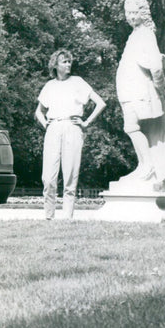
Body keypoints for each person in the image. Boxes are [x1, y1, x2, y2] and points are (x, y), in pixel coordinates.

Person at [35, 49, 106, 220]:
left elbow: (100, 103)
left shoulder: (78, 82)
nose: (68, 65)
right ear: (56, 65)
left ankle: (67, 218)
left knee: (70, 175)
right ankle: (49, 217)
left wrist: (86, 123)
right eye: (64, 62)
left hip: (73, 128)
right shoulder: (50, 86)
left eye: (69, 61)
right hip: (53, 128)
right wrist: (46, 124)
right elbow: (38, 111)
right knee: (48, 178)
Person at [115, 0, 165, 191]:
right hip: (131, 91)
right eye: (127, 13)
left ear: (142, 13)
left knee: (131, 127)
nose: (130, 17)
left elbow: (156, 67)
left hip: (138, 91)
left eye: (134, 13)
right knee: (133, 128)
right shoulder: (136, 35)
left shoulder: (145, 34)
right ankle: (146, 166)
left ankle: (147, 166)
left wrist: (160, 88)